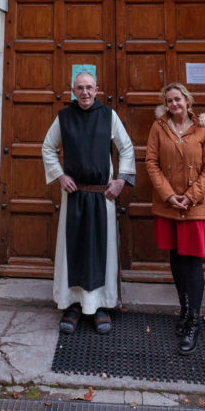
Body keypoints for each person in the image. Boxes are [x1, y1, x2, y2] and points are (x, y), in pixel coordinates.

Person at [42, 71, 135, 335]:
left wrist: (121, 181)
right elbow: (47, 147)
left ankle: (101, 306)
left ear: (97, 90)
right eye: (80, 88)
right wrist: (60, 175)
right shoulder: (64, 117)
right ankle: (71, 305)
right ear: (73, 90)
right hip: (74, 195)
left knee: (100, 250)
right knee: (73, 251)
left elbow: (126, 147)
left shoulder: (108, 116)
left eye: (89, 88)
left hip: (102, 195)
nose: (84, 92)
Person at [145, 81, 205, 354]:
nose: (173, 104)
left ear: (188, 101)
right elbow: (151, 162)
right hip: (169, 204)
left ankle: (194, 321)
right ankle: (184, 311)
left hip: (193, 206)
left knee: (193, 262)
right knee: (176, 258)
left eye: (177, 99)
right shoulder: (158, 128)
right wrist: (168, 195)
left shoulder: (202, 130)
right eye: (169, 101)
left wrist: (191, 196)